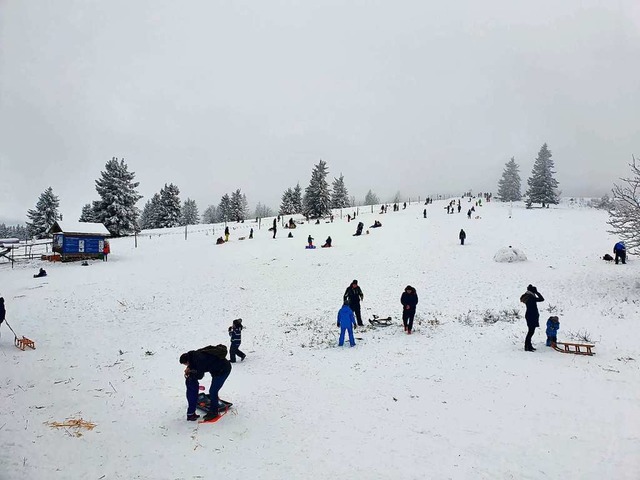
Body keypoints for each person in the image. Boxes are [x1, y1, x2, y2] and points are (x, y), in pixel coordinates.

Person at [179, 345, 232, 422]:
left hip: (223, 371)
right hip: (216, 370)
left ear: (187, 361)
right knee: (213, 390)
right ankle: (213, 405)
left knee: (213, 391)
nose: (186, 366)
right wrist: (190, 368)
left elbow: (199, 376)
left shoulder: (199, 361)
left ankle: (214, 412)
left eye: (186, 365)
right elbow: (196, 365)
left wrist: (191, 371)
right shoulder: (193, 355)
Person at [520, 284, 544, 352]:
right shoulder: (531, 297)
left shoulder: (528, 296)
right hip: (531, 315)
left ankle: (528, 346)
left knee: (530, 331)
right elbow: (541, 299)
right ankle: (527, 346)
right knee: (531, 332)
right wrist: (537, 292)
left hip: (530, 315)